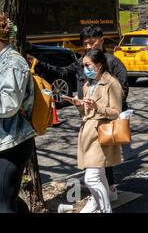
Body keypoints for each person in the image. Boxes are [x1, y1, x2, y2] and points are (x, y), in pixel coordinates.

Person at [27, 25, 129, 202]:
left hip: (106, 118)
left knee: (99, 159)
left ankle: (105, 195)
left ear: (102, 40)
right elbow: (63, 71)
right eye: (85, 44)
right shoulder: (83, 61)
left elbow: (123, 90)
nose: (89, 46)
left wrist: (101, 105)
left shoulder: (112, 62)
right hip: (87, 116)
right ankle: (106, 193)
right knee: (97, 159)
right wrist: (38, 63)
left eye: (92, 42)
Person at [64, 49, 123, 213]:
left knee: (91, 178)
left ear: (99, 64)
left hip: (102, 133)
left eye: (88, 65)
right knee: (99, 175)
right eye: (84, 66)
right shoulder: (87, 85)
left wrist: (98, 107)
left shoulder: (112, 83)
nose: (85, 69)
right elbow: (87, 111)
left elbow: (116, 111)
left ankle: (105, 210)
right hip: (88, 134)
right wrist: (79, 105)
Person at [0, 13, 35, 213]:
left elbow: (8, 104)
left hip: (12, 145)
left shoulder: (13, 63)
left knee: (4, 204)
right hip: (4, 141)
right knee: (7, 200)